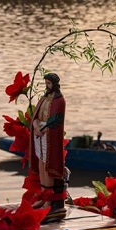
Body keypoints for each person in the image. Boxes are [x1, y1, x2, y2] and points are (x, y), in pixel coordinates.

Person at [29, 72, 67, 220]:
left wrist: (43, 129)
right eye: (46, 84)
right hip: (39, 133)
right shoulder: (44, 98)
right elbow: (36, 116)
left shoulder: (59, 101)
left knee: (47, 166)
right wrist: (36, 125)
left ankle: (49, 201)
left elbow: (56, 121)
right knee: (40, 163)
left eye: (49, 84)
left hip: (49, 136)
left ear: (55, 84)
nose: (47, 86)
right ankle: (43, 197)